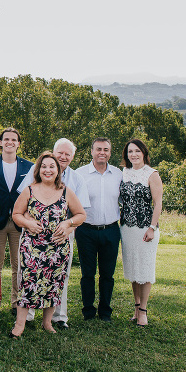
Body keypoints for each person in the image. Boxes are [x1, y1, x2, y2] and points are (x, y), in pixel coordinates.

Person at [10, 152, 86, 338]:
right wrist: (27, 223)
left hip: (58, 248)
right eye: (44, 166)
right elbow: (16, 214)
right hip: (32, 247)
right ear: (38, 169)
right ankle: (19, 324)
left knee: (53, 283)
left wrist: (68, 225)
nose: (48, 170)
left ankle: (46, 323)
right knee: (28, 283)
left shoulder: (66, 191)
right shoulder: (30, 189)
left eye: (52, 166)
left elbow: (81, 215)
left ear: (58, 170)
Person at [75, 137, 123, 322]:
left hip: (111, 230)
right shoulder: (80, 174)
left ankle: (105, 312)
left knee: (107, 274)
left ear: (110, 152)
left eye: (106, 149)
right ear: (92, 151)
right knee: (87, 273)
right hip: (86, 230)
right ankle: (88, 311)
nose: (102, 152)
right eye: (98, 149)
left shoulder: (118, 174)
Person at [0, 128, 33, 317]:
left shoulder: (29, 166)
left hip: (19, 222)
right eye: (6, 139)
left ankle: (16, 303)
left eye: (14, 139)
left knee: (19, 265)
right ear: (0, 142)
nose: (10, 142)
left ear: (19, 143)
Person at [119, 138, 163, 327]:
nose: (134, 155)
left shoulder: (152, 174)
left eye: (137, 151)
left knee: (144, 269)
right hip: (127, 229)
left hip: (146, 229)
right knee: (133, 269)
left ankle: (143, 310)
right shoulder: (125, 172)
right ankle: (136, 307)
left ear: (143, 152)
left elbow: (158, 203)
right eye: (130, 152)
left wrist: (152, 227)